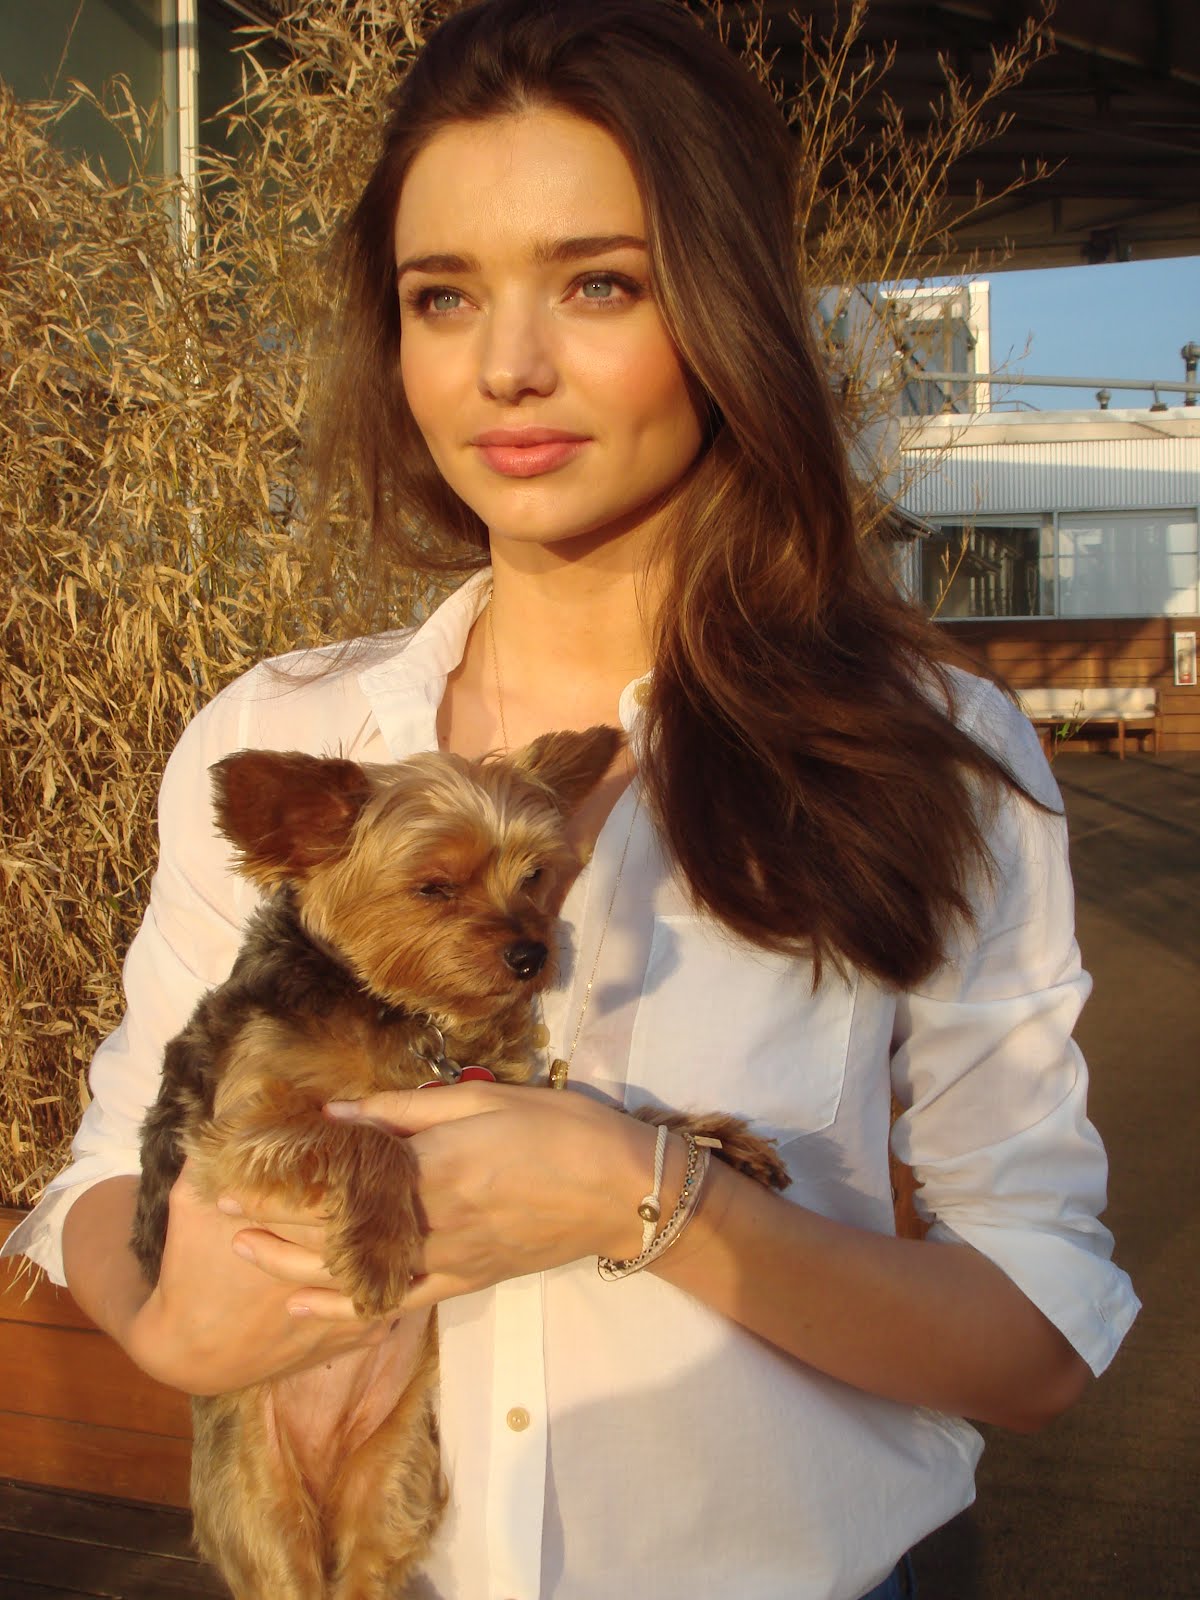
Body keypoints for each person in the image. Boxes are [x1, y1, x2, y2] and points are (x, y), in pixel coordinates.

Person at [3, 3, 1139, 1597]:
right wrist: (165, 1319)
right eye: (441, 296)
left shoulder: (922, 753)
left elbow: (1034, 1338)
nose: (508, 366)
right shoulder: (287, 733)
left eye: (599, 282)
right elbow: (100, 1174)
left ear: (729, 307)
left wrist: (632, 1192)